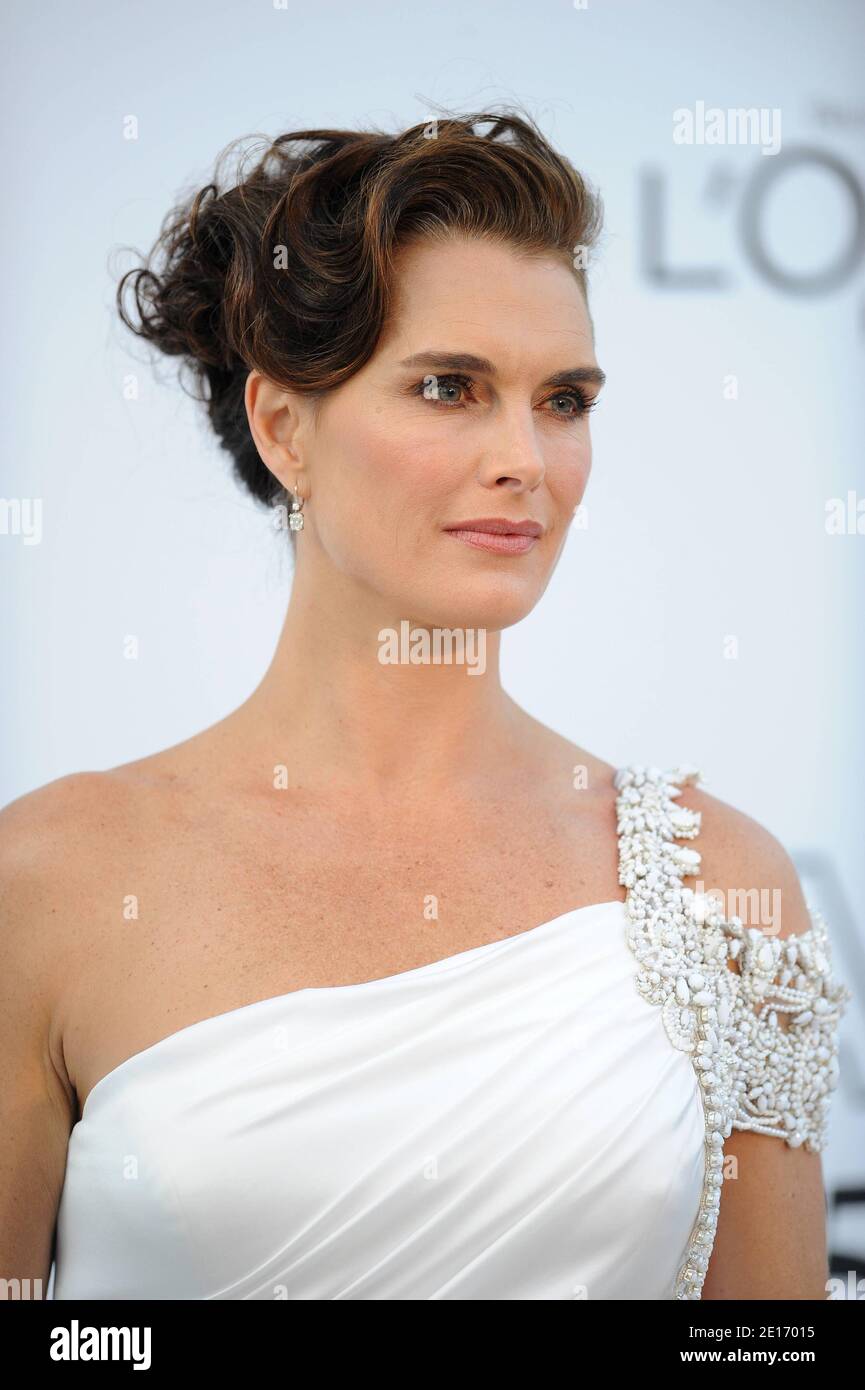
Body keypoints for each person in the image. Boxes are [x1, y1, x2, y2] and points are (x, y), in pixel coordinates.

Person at [0, 111, 850, 1301]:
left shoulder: (723, 886)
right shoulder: (50, 881)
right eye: (451, 387)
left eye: (564, 399)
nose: (527, 460)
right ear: (283, 427)